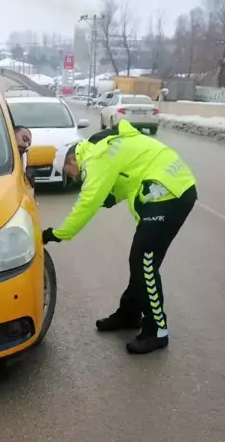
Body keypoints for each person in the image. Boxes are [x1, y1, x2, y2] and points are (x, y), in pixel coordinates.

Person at [42, 120, 197, 354]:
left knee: (144, 262)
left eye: (67, 172)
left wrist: (57, 234)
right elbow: (129, 173)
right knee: (141, 261)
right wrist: (113, 197)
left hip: (170, 194)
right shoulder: (101, 148)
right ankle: (129, 313)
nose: (71, 177)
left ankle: (157, 330)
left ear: (72, 159)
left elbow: (88, 202)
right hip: (170, 188)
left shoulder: (97, 157)